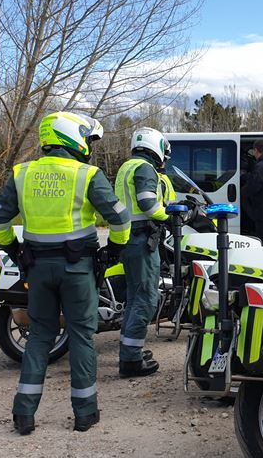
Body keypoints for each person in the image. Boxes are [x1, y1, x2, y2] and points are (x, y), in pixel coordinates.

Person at [0, 111, 131, 435]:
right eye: (87, 138)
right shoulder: (87, 175)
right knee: (81, 335)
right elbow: (120, 219)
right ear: (72, 137)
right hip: (78, 269)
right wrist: (115, 250)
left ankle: (24, 415)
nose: (89, 146)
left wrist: (13, 248)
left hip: (37, 268)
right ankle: (85, 414)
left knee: (40, 335)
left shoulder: (21, 174)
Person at [114, 127, 171, 377]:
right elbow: (148, 203)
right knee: (146, 299)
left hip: (128, 238)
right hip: (142, 238)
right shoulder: (145, 168)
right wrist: (170, 214)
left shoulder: (127, 166)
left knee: (134, 297)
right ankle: (131, 361)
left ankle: (129, 351)